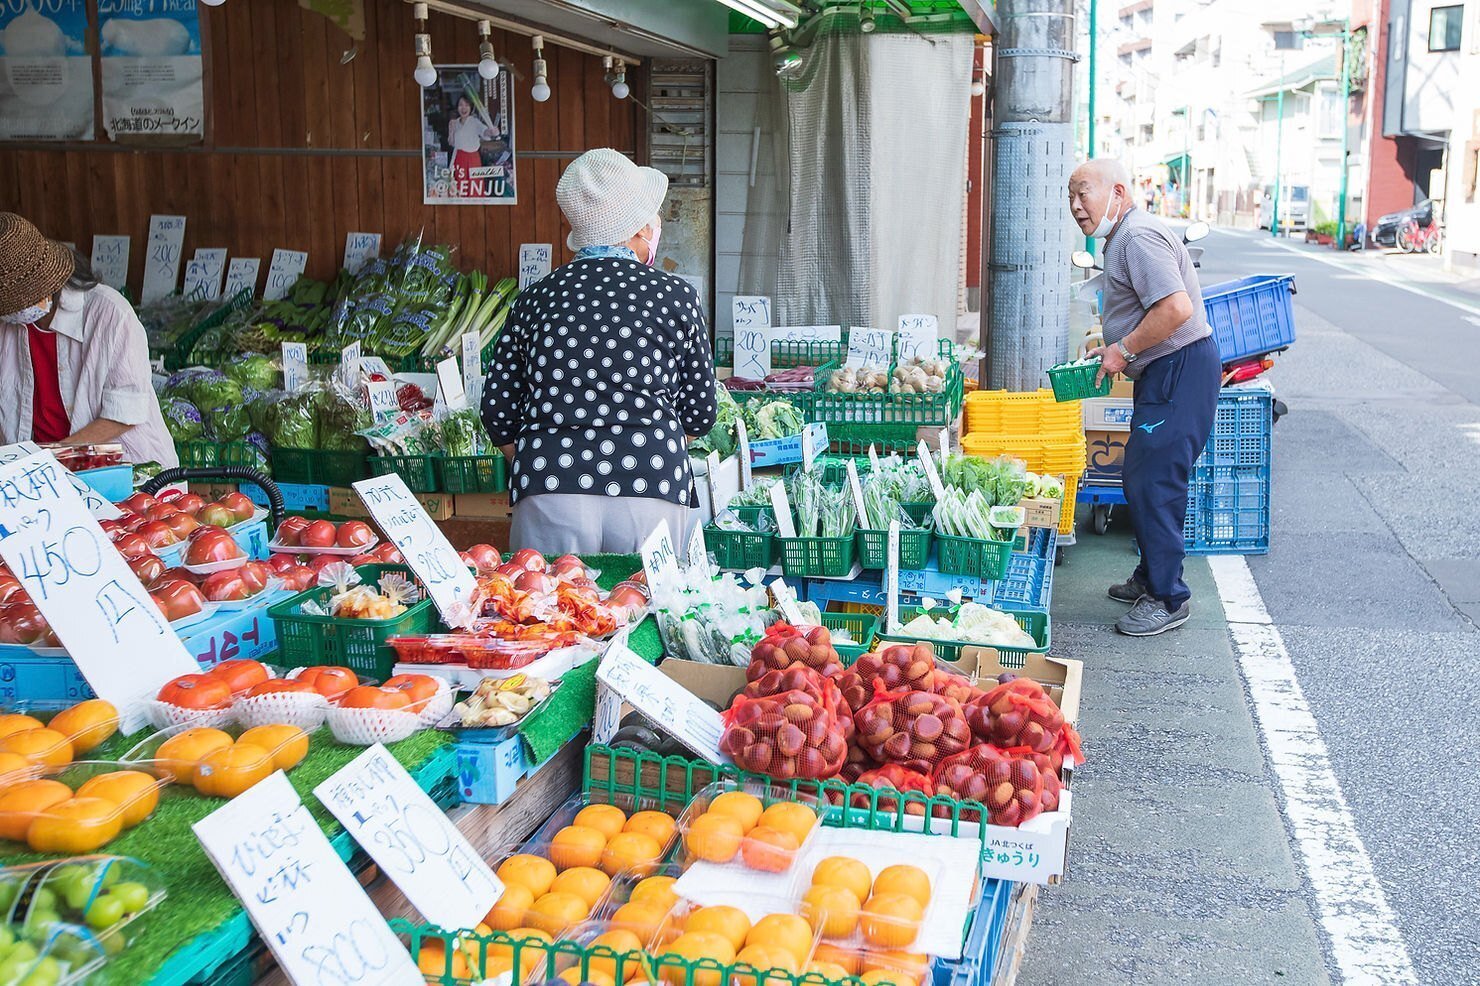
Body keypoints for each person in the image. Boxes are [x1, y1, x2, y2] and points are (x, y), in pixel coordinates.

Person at [481, 148, 718, 555]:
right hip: (652, 482)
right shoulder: (676, 297)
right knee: (644, 613)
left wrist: (552, 457)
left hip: (550, 484)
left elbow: (498, 412)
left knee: (549, 614)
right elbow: (700, 411)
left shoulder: (535, 300)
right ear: (639, 227)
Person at [1067, 158, 1220, 636]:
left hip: (1180, 368)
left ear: (1116, 192)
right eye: (1070, 197)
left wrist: (1125, 348)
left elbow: (1176, 308)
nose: (1075, 206)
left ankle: (1169, 597)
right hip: (1166, 372)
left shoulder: (1137, 236)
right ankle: (1151, 575)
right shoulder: (1123, 237)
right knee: (1139, 474)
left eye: (1083, 194)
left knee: (1154, 481)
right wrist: (1110, 343)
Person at [0, 213, 178, 468]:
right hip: (45, 475)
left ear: (45, 285)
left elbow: (124, 413)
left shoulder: (110, 314)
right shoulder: (9, 325)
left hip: (130, 470)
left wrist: (56, 456)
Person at [448, 95, 495, 197]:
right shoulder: (454, 123)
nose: (463, 108)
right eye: (461, 105)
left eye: (466, 105)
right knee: (460, 189)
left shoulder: (474, 122)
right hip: (458, 159)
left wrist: (491, 132)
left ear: (471, 107)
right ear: (457, 108)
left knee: (474, 188)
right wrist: (451, 130)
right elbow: (451, 143)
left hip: (473, 159)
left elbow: (484, 132)